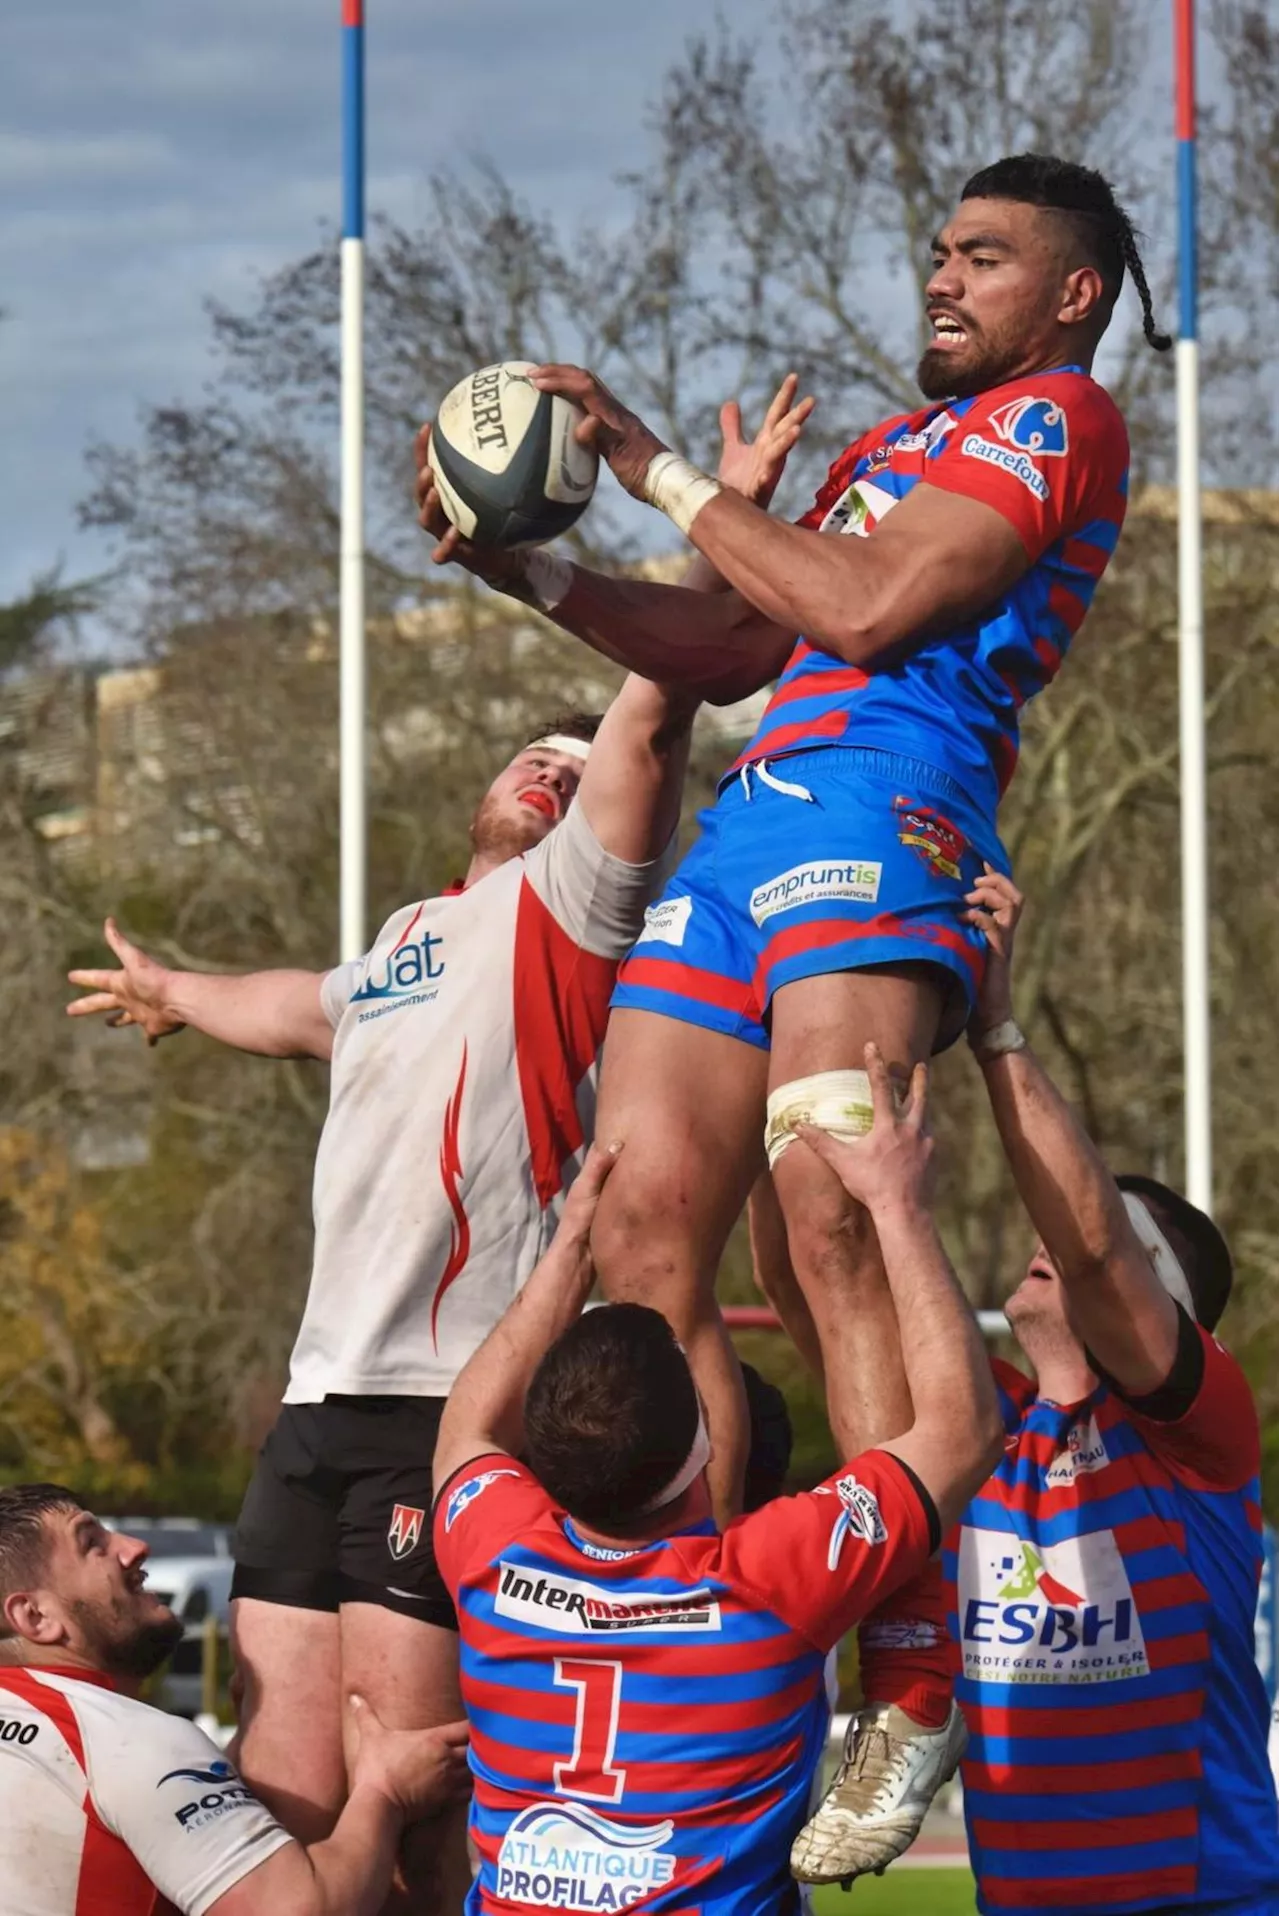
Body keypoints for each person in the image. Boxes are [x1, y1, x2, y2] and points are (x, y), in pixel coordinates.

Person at [415, 153, 1168, 1871]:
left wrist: (647, 462)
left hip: (888, 812)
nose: (944, 277)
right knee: (643, 1226)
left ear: (1070, 294)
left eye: (984, 256)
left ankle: (904, 1680)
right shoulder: (880, 451)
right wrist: (521, 567)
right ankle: (679, 1594)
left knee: (832, 1214)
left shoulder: (1058, 424)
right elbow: (740, 644)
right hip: (752, 821)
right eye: (939, 251)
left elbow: (874, 605)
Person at [64, 675, 695, 1903]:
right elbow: (305, 1004)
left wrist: (665, 522)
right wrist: (176, 994)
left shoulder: (567, 904)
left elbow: (651, 722)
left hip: (445, 1408)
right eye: (532, 755)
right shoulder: (411, 934)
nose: (552, 776)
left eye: (576, 772)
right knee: (283, 1778)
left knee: (402, 1775)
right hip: (318, 1405)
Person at [800, 869, 1280, 1911]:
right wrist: (777, 1044)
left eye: (1094, 1235)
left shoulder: (1199, 1435)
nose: (1050, 1241)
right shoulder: (980, 1428)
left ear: (1177, 1318)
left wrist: (996, 1026)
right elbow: (834, 1297)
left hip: (1203, 1896)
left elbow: (1099, 1249)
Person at [429, 1047, 1003, 1914]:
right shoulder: (767, 1581)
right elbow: (962, 1429)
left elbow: (466, 1425)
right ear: (708, 1444)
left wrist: (567, 1251)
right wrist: (897, 1204)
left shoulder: (490, 1553)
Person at [0, 1483, 469, 1916]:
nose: (134, 1547)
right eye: (92, 1544)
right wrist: (384, 1793)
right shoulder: (123, 1742)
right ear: (35, 1615)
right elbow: (299, 1910)